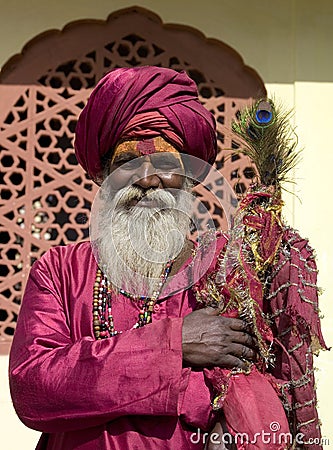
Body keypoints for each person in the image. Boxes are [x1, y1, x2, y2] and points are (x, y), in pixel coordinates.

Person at [9, 66, 325, 450]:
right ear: (102, 176)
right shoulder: (59, 271)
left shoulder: (225, 269)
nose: (146, 178)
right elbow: (34, 389)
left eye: (165, 164)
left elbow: (255, 383)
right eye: (127, 163)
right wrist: (176, 344)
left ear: (188, 179)